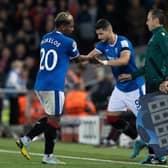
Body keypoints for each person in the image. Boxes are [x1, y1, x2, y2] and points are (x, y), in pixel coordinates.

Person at [16, 11, 84, 164]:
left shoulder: (45, 38)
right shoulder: (69, 42)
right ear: (62, 26)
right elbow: (78, 59)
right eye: (70, 26)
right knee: (54, 119)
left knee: (50, 117)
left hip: (40, 84)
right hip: (54, 85)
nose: (73, 29)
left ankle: (25, 140)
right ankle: (48, 156)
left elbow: (62, 56)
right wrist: (92, 58)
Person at [82, 19, 145, 146]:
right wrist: (75, 58)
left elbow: (124, 60)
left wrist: (104, 63)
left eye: (101, 34)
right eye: (98, 34)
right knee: (111, 118)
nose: (99, 37)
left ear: (109, 31)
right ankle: (134, 135)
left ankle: (156, 153)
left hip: (135, 87)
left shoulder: (123, 42)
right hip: (120, 89)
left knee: (146, 121)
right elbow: (89, 57)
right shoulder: (103, 44)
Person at [119, 8, 168, 164]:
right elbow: (148, 67)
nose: (146, 22)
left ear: (155, 20)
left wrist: (166, 80)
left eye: (148, 19)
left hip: (159, 83)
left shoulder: (161, 36)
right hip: (151, 83)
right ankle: (153, 155)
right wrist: (131, 75)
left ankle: (160, 156)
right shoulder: (154, 38)